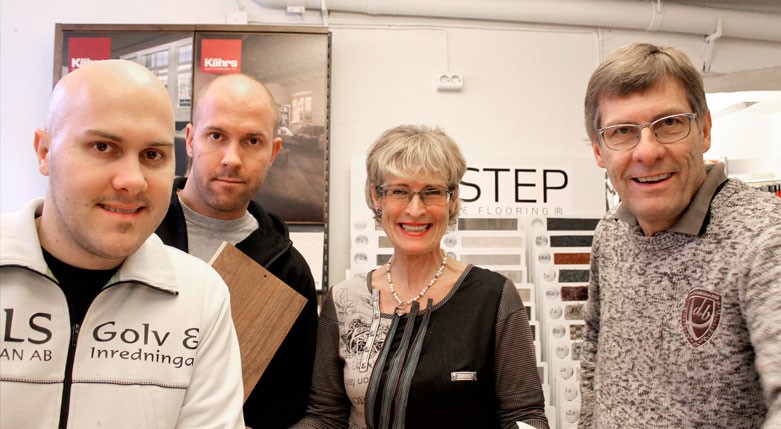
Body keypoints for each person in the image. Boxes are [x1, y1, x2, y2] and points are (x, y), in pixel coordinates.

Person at [0, 60, 244, 428]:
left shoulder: (200, 296)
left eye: (152, 155)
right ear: (45, 152)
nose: (132, 181)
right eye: (103, 147)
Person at [293, 125, 549, 429]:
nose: (415, 210)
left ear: (452, 200)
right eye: (399, 191)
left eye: (432, 192)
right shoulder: (344, 301)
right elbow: (325, 416)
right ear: (377, 197)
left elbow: (525, 415)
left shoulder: (493, 298)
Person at [579, 42, 781, 428]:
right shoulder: (610, 234)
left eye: (669, 123)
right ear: (599, 151)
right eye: (622, 131)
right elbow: (593, 348)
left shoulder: (765, 238)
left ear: (703, 130)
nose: (647, 152)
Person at [155, 73, 318, 429]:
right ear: (190, 140)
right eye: (216, 136)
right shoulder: (136, 237)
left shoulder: (289, 272)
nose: (232, 158)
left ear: (273, 152)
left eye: (252, 141)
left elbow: (292, 403)